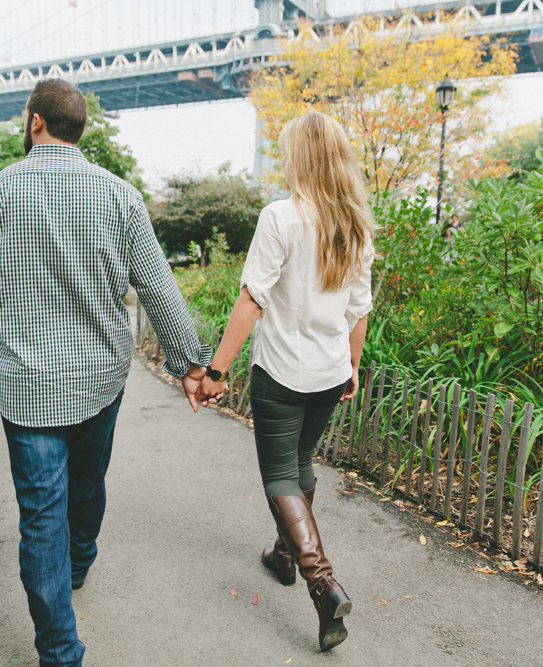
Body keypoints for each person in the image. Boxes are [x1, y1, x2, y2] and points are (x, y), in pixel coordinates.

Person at [0, 78, 213, 667]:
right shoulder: (118, 195)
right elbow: (156, 285)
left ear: (36, 121)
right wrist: (190, 364)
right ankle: (79, 559)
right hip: (100, 377)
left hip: (24, 385)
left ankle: (60, 652)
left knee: (40, 514)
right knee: (89, 482)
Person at [195, 111, 376, 652]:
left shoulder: (281, 216)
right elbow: (359, 308)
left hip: (281, 370)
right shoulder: (357, 223)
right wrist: (352, 364)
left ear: (299, 157)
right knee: (300, 465)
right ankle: (283, 554)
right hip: (328, 370)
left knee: (278, 472)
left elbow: (252, 299)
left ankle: (322, 582)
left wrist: (216, 371)